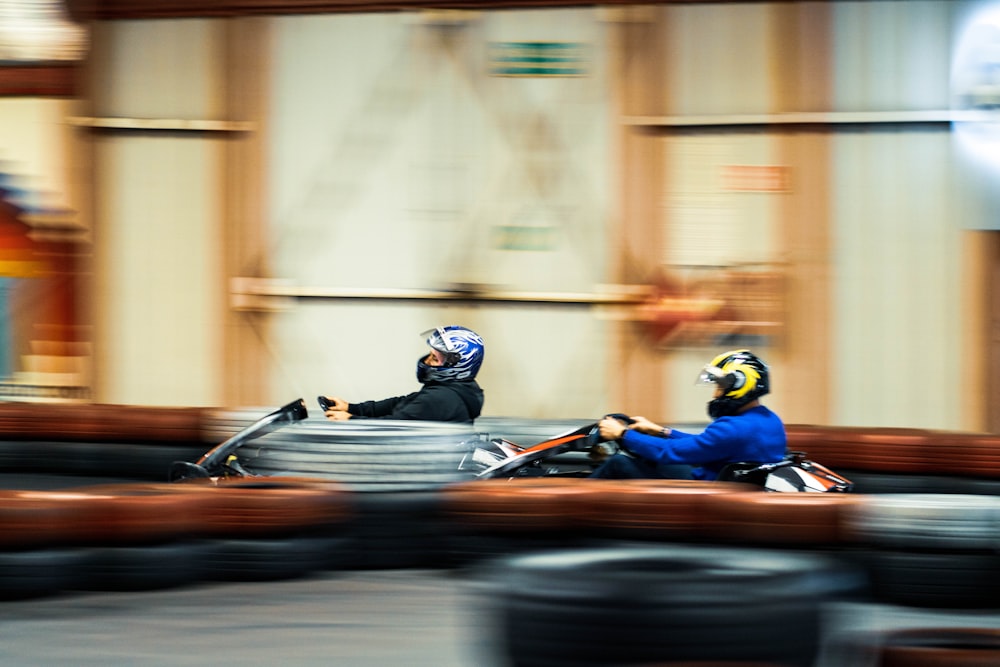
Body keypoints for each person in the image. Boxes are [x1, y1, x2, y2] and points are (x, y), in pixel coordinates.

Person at [589, 349, 786, 480]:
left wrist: (622, 434)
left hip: (707, 491)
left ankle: (575, 498)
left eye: (719, 386)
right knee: (647, 460)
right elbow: (705, 445)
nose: (715, 393)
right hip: (723, 481)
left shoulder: (734, 428)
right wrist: (660, 431)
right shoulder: (769, 420)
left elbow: (669, 451)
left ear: (740, 385)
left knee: (619, 463)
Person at [322, 325, 485, 423]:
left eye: (434, 358)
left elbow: (393, 426)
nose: (427, 361)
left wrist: (350, 420)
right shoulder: (453, 391)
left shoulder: (441, 399)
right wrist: (350, 407)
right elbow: (401, 403)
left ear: (456, 365)